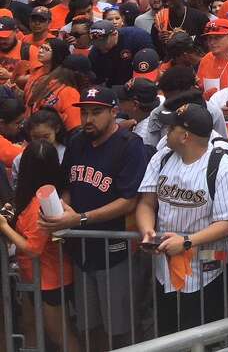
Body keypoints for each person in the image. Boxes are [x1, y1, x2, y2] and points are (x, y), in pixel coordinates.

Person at [43, 86, 149, 349]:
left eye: (96, 112)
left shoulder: (129, 145)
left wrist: (79, 219)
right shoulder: (77, 141)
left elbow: (128, 201)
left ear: (114, 112)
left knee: (121, 328)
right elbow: (67, 183)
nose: (88, 119)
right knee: (89, 325)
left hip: (115, 249)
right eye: (85, 113)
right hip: (81, 250)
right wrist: (63, 210)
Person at [135, 102, 228, 333]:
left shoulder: (224, 165)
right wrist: (147, 230)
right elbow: (146, 203)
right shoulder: (162, 158)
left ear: (185, 135)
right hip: (164, 268)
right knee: (167, 338)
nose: (166, 133)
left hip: (207, 268)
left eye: (171, 129)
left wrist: (186, 241)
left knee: (203, 338)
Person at [0, 140, 82, 352]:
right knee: (30, 327)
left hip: (50, 280)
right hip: (31, 277)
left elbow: (33, 248)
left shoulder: (46, 201)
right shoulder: (30, 196)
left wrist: (4, 227)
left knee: (60, 336)